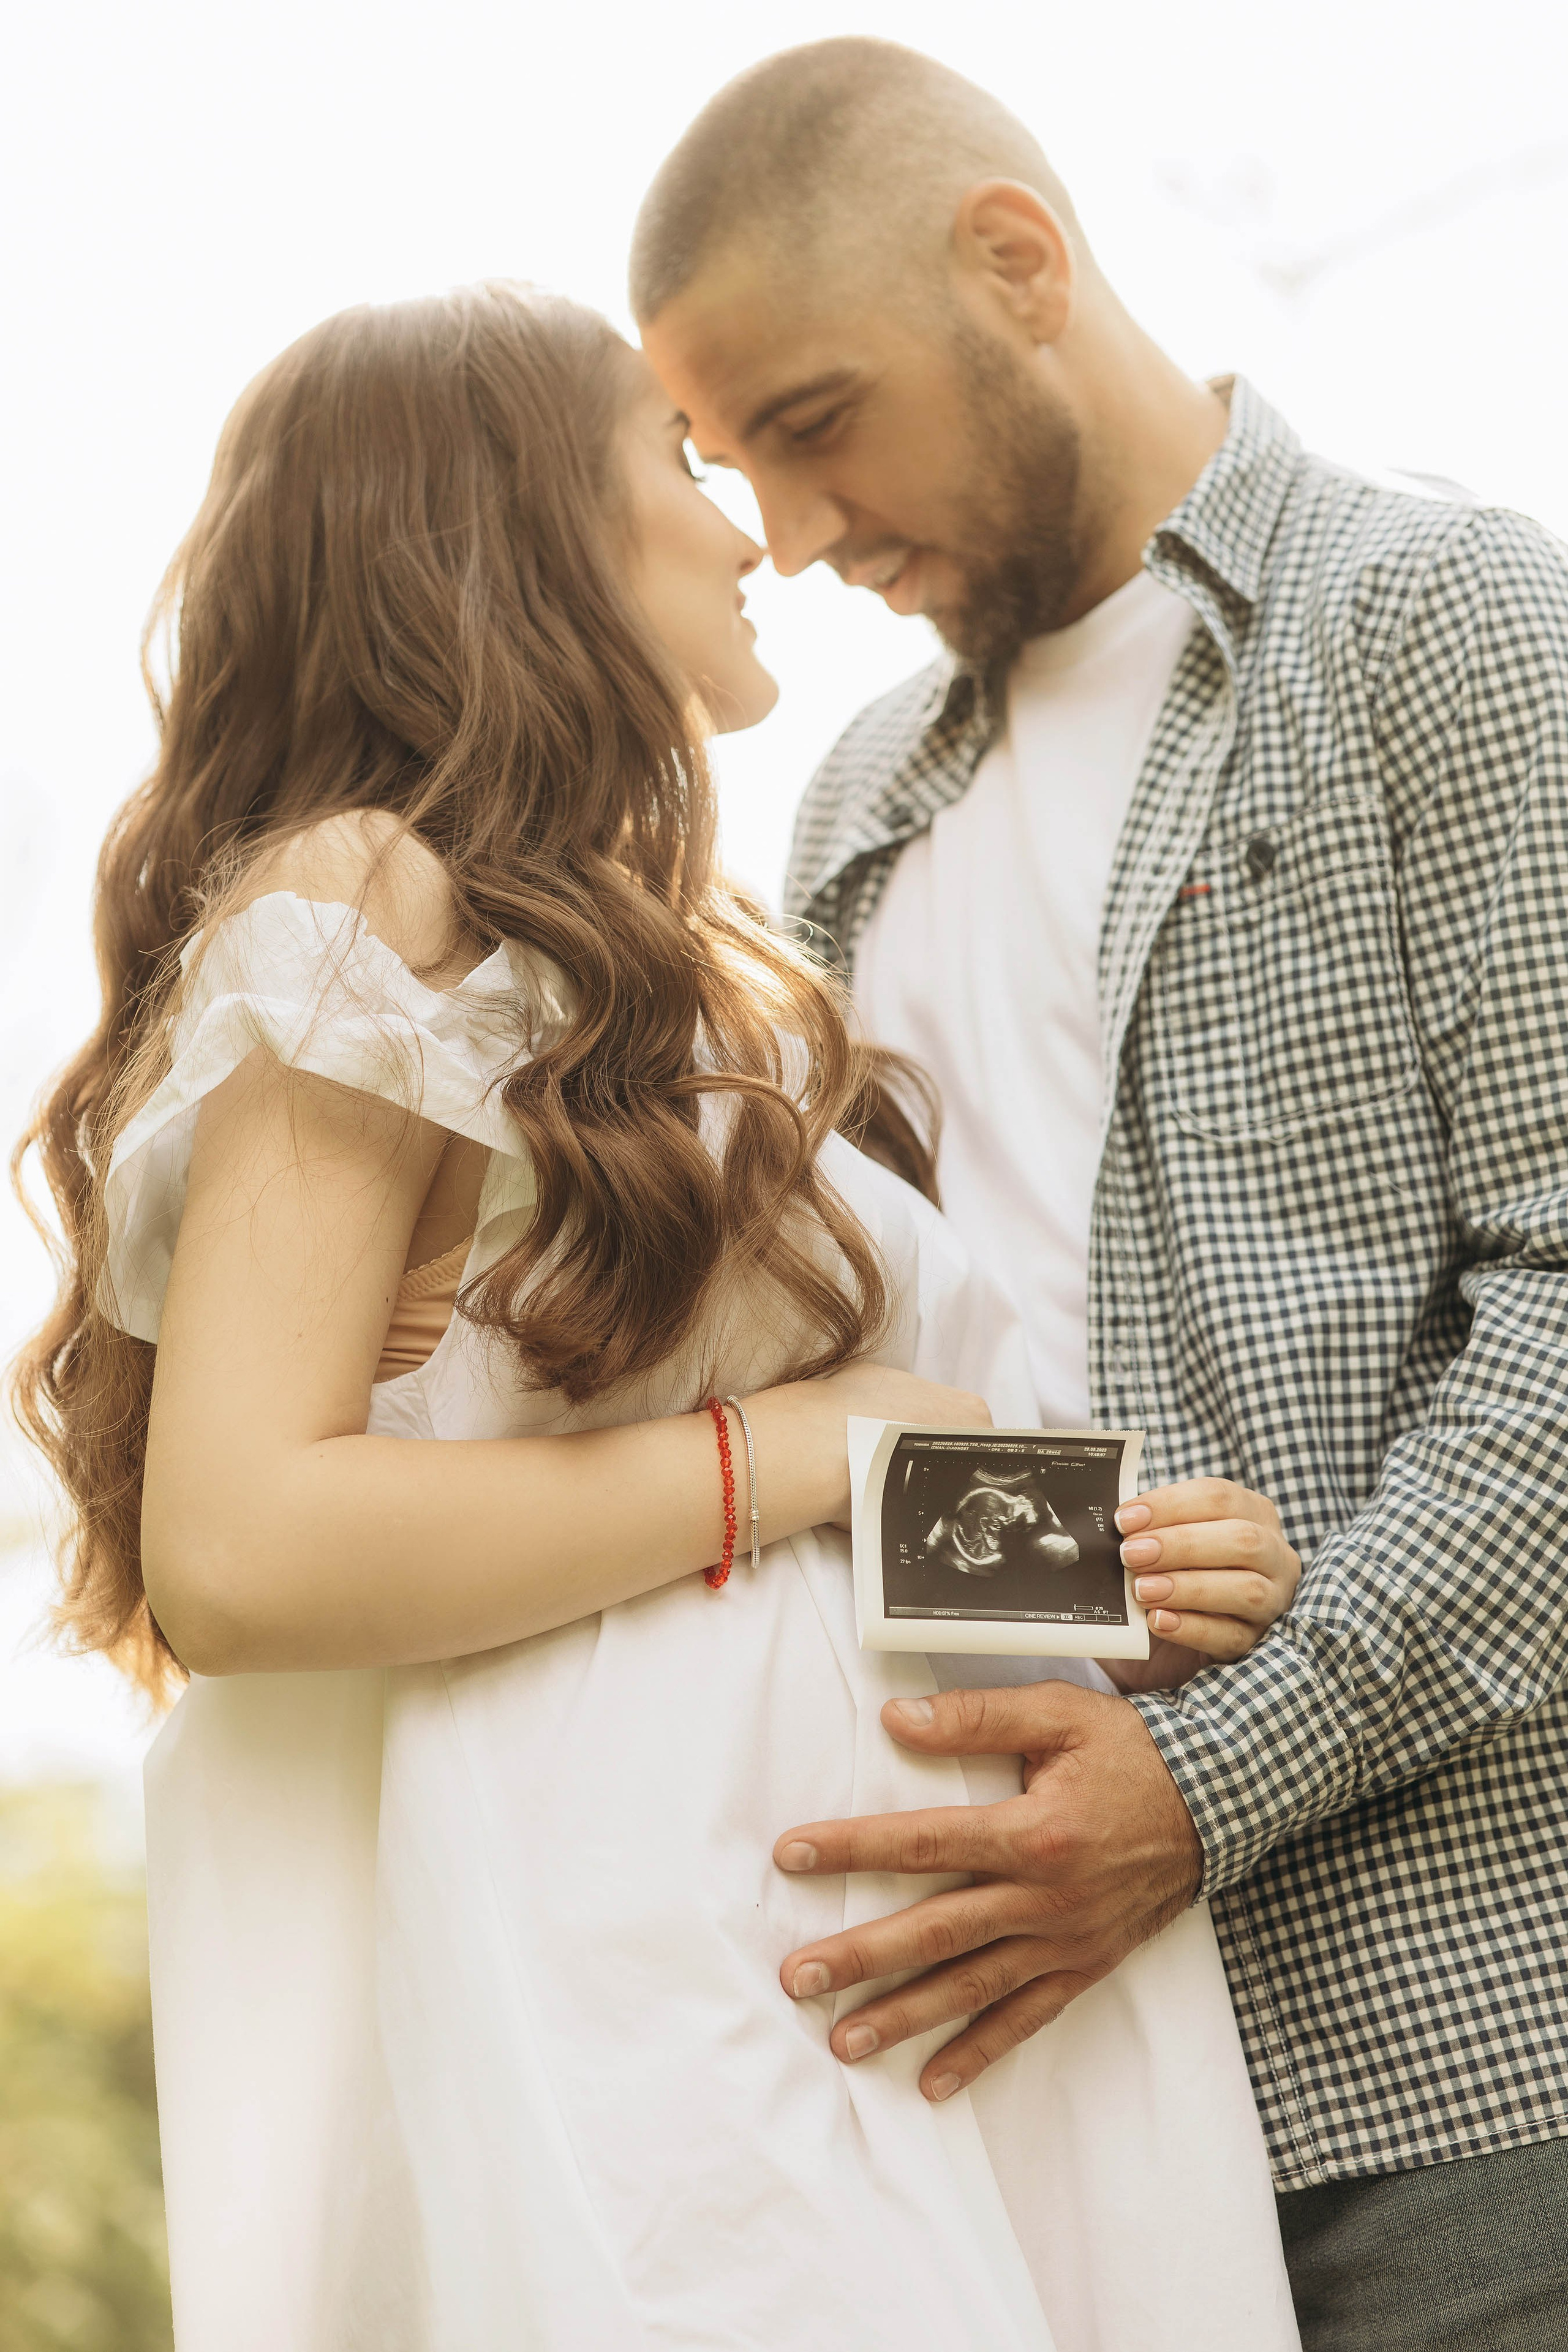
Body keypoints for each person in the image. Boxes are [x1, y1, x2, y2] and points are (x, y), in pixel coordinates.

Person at [13, 282, 1301, 2350]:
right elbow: (246, 1546)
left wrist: (1095, 1555)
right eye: (685, 465)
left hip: (913, 1964)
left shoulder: (688, 979)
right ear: (509, 531)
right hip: (668, 1981)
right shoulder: (366, 898)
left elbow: (731, 1468)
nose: (752, 530)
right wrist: (809, 1452)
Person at [632, 37, 1568, 2351]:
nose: (793, 532)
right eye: (733, 466)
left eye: (818, 420)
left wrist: (1201, 1776)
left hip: (1458, 2070)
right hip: (1033, 2087)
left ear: (1017, 265)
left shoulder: (1444, 626)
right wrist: (1095, 1565)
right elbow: (916, 1396)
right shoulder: (854, 807)